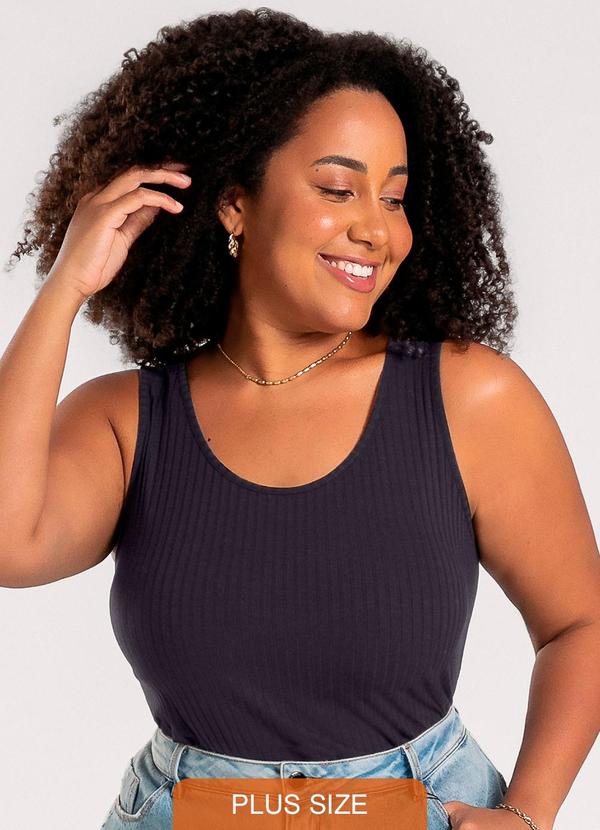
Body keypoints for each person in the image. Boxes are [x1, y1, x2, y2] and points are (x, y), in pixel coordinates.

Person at [2, 8, 599, 830]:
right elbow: (8, 543)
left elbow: (581, 624)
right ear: (235, 203)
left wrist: (528, 813)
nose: (376, 228)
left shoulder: (468, 398)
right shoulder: (130, 420)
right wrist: (64, 289)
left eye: (395, 198)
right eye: (337, 188)